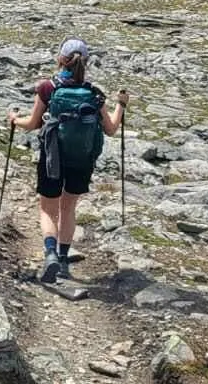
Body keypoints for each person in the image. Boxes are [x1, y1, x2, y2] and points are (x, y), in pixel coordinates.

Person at [8, 38, 127, 282]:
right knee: (68, 208)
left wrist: (13, 120)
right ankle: (63, 261)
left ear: (60, 59)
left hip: (52, 157)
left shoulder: (47, 88)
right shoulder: (94, 94)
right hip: (82, 160)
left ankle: (49, 253)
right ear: (86, 61)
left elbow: (32, 124)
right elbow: (111, 129)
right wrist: (121, 106)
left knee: (47, 209)